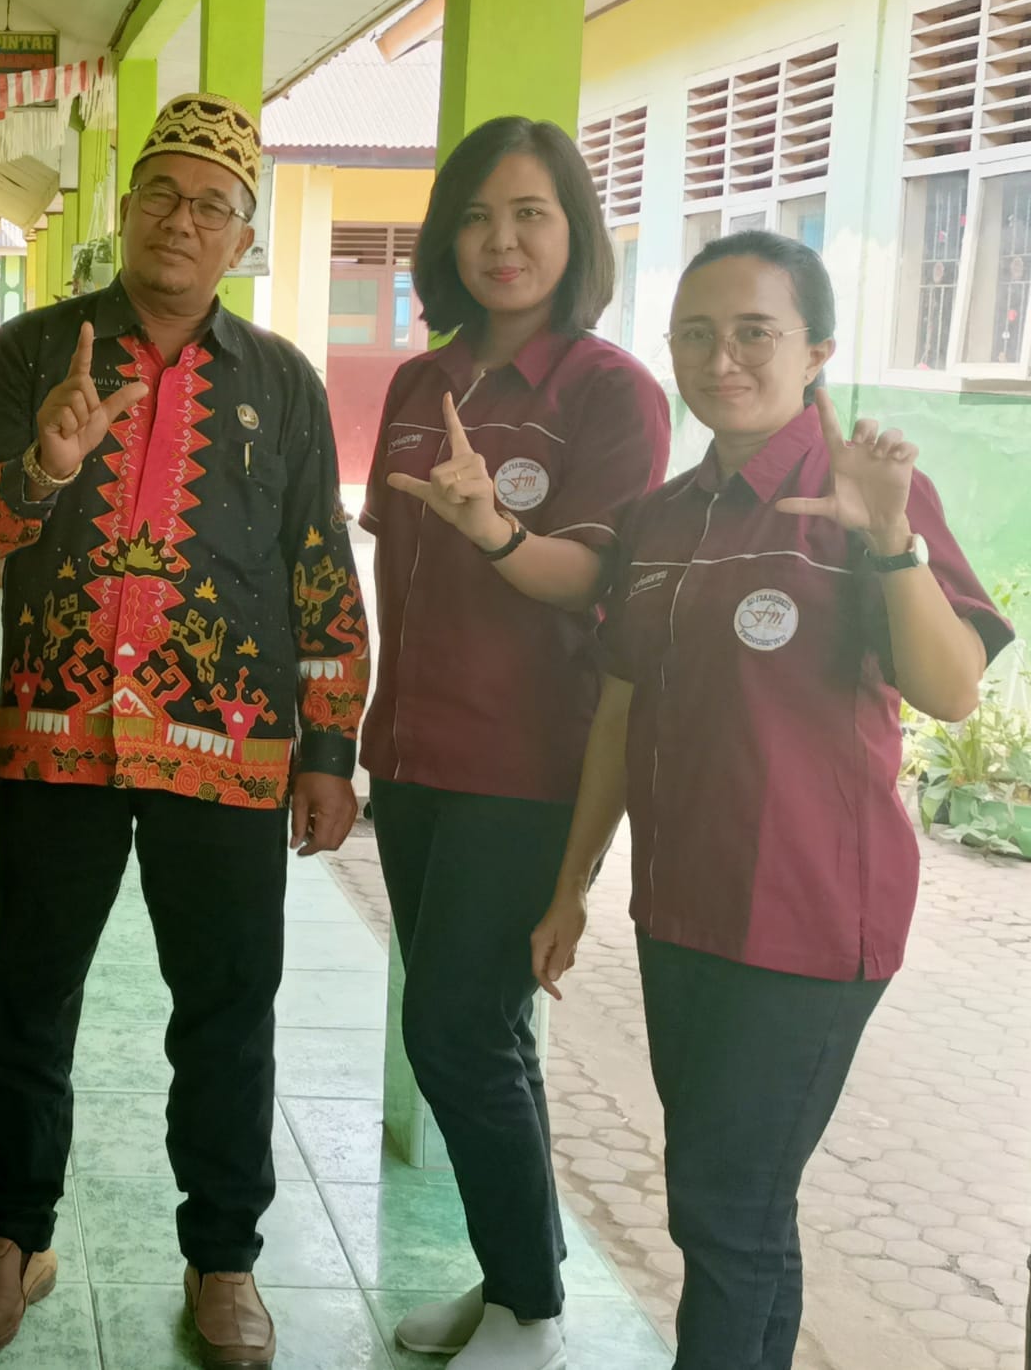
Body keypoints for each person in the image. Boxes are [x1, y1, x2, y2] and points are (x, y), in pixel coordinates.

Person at [0, 94, 368, 1367]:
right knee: (27, 1000)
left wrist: (331, 748)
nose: (182, 221)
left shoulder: (282, 383)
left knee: (227, 1013)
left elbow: (319, 568)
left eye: (211, 205)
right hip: (57, 733)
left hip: (226, 749)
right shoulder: (33, 351)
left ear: (243, 236)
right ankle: (10, 1238)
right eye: (161, 195)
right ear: (124, 210)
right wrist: (45, 466)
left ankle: (223, 1258)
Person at [531, 232, 1013, 1370]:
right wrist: (571, 887)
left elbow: (950, 689)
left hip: (807, 919)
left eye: (755, 331)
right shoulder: (660, 518)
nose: (723, 358)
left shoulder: (868, 499)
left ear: (817, 352)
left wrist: (889, 541)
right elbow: (620, 714)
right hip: (681, 911)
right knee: (734, 1205)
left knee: (725, 1209)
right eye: (696, 334)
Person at [360, 117, 670, 1370]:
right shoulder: (418, 384)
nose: (502, 240)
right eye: (478, 216)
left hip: (523, 764)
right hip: (410, 756)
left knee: (451, 1030)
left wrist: (492, 528)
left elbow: (593, 574)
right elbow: (392, 571)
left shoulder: (608, 391)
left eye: (531, 213)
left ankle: (529, 1313)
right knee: (480, 1030)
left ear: (573, 232)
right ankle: (514, 1283)